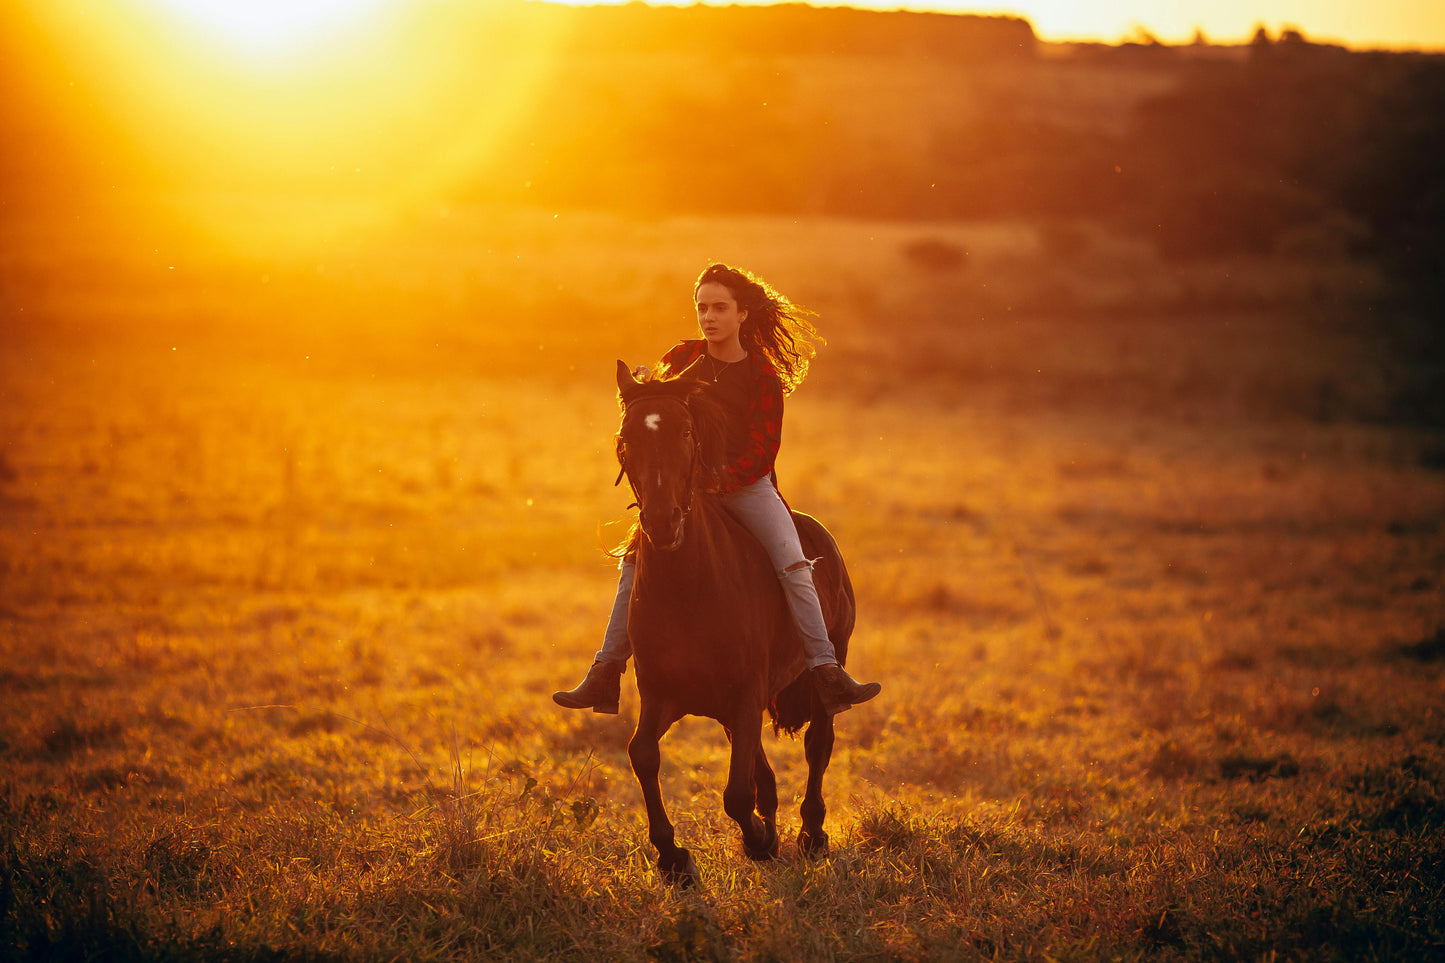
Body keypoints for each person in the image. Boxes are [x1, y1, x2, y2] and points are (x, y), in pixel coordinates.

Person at [553, 263, 881, 716]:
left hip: (747, 487)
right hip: (686, 488)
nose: (709, 317)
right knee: (633, 561)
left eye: (720, 308)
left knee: (792, 562)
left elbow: (764, 451)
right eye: (702, 307)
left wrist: (719, 480)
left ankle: (826, 670)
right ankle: (605, 672)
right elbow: (658, 410)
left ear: (742, 313)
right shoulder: (683, 355)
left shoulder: (762, 376)